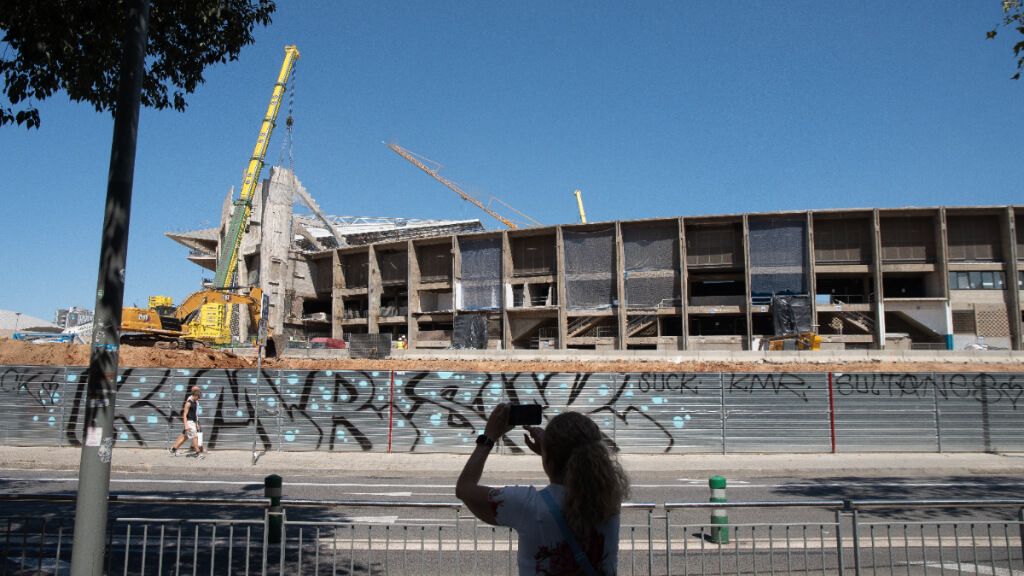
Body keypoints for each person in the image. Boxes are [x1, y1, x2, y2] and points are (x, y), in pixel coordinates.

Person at [456, 404, 630, 575]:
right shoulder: (609, 500)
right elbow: (572, 470)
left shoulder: (528, 506)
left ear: (550, 462)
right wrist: (551, 454)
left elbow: (464, 488)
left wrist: (489, 437)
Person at [169, 386, 205, 459]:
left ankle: (174, 449)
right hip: (189, 422)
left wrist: (197, 423)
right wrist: (186, 425)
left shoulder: (195, 402)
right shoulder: (188, 403)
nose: (199, 399)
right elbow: (184, 415)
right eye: (198, 397)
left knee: (185, 437)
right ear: (195, 395)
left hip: (193, 422)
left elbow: (195, 414)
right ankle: (198, 453)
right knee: (195, 437)